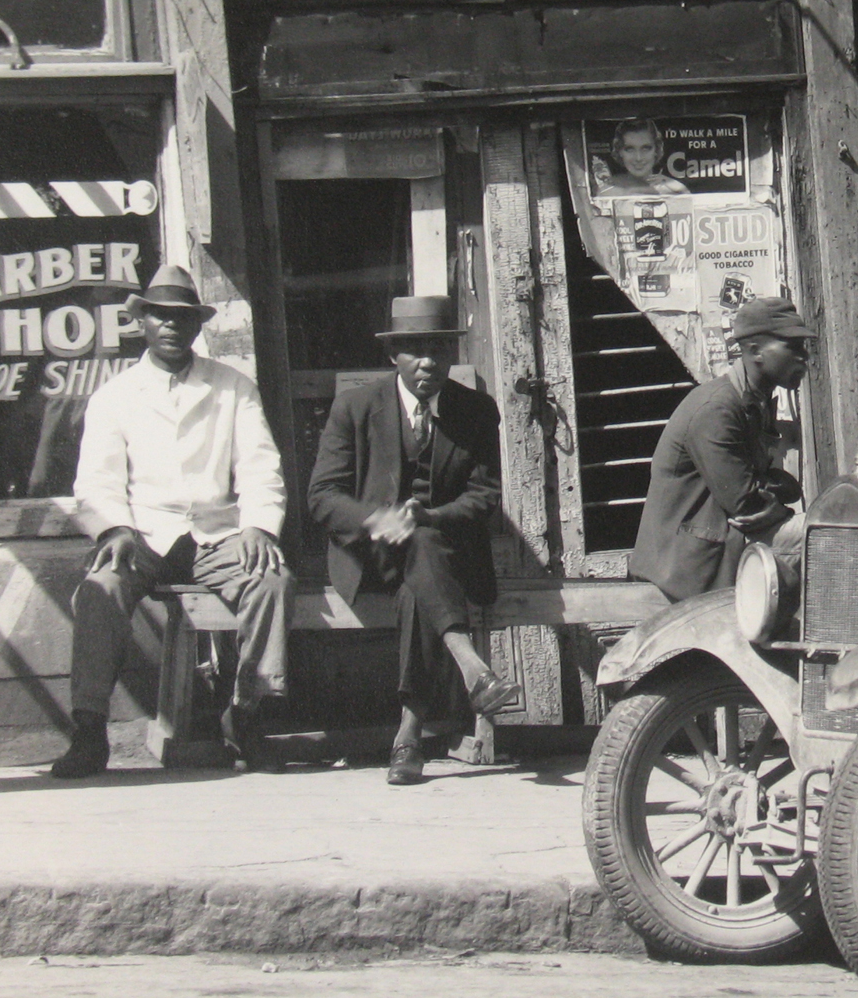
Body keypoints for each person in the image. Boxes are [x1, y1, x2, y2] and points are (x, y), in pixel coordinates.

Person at [52, 265, 291, 778]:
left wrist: (258, 526)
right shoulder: (114, 396)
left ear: (197, 325)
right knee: (99, 589)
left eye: (183, 317)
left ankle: (248, 714)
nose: (171, 326)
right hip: (145, 533)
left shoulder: (232, 387)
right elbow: (96, 482)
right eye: (160, 315)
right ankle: (90, 730)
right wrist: (115, 528)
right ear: (142, 321)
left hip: (216, 533)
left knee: (271, 580)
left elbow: (259, 465)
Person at [307, 295, 516, 787]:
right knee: (419, 549)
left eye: (440, 350)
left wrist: (434, 515)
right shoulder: (355, 407)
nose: (429, 362)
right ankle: (471, 667)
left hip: (445, 557)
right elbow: (322, 497)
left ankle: (409, 734)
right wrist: (378, 519)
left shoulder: (476, 410)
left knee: (423, 554)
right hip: (372, 556)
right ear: (392, 357)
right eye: (416, 351)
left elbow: (485, 497)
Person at [630, 297, 812, 602]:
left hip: (723, 547)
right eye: (792, 347)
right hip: (689, 568)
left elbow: (760, 485)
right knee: (827, 534)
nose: (803, 358)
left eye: (804, 348)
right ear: (755, 351)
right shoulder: (717, 408)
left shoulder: (755, 399)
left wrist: (775, 486)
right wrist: (776, 489)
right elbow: (746, 504)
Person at [599, 119, 690, 198]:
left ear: (656, 149)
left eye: (646, 149)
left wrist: (681, 189)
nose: (638, 158)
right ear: (620, 151)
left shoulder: (675, 189)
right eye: (630, 149)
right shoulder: (607, 191)